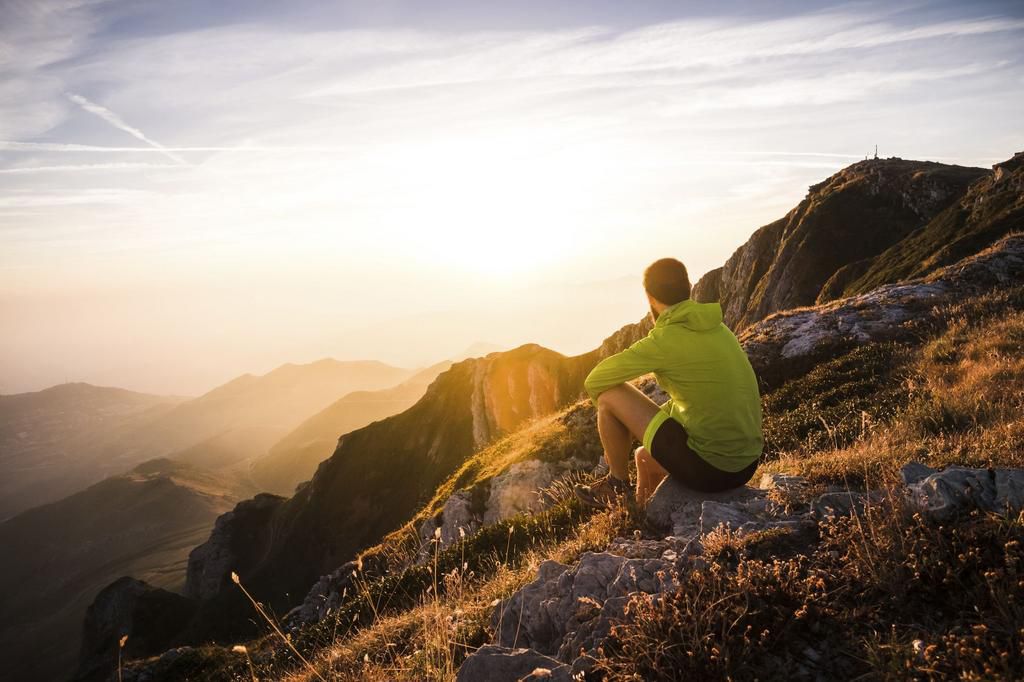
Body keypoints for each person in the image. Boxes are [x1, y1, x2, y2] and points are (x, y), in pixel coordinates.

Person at [573, 257, 763, 509]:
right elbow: (703, 398)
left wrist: (616, 426)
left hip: (713, 468)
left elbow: (595, 380)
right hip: (746, 463)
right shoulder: (717, 328)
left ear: (651, 298)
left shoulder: (664, 341)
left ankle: (616, 483)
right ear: (688, 287)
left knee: (608, 396)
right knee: (643, 457)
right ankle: (642, 515)